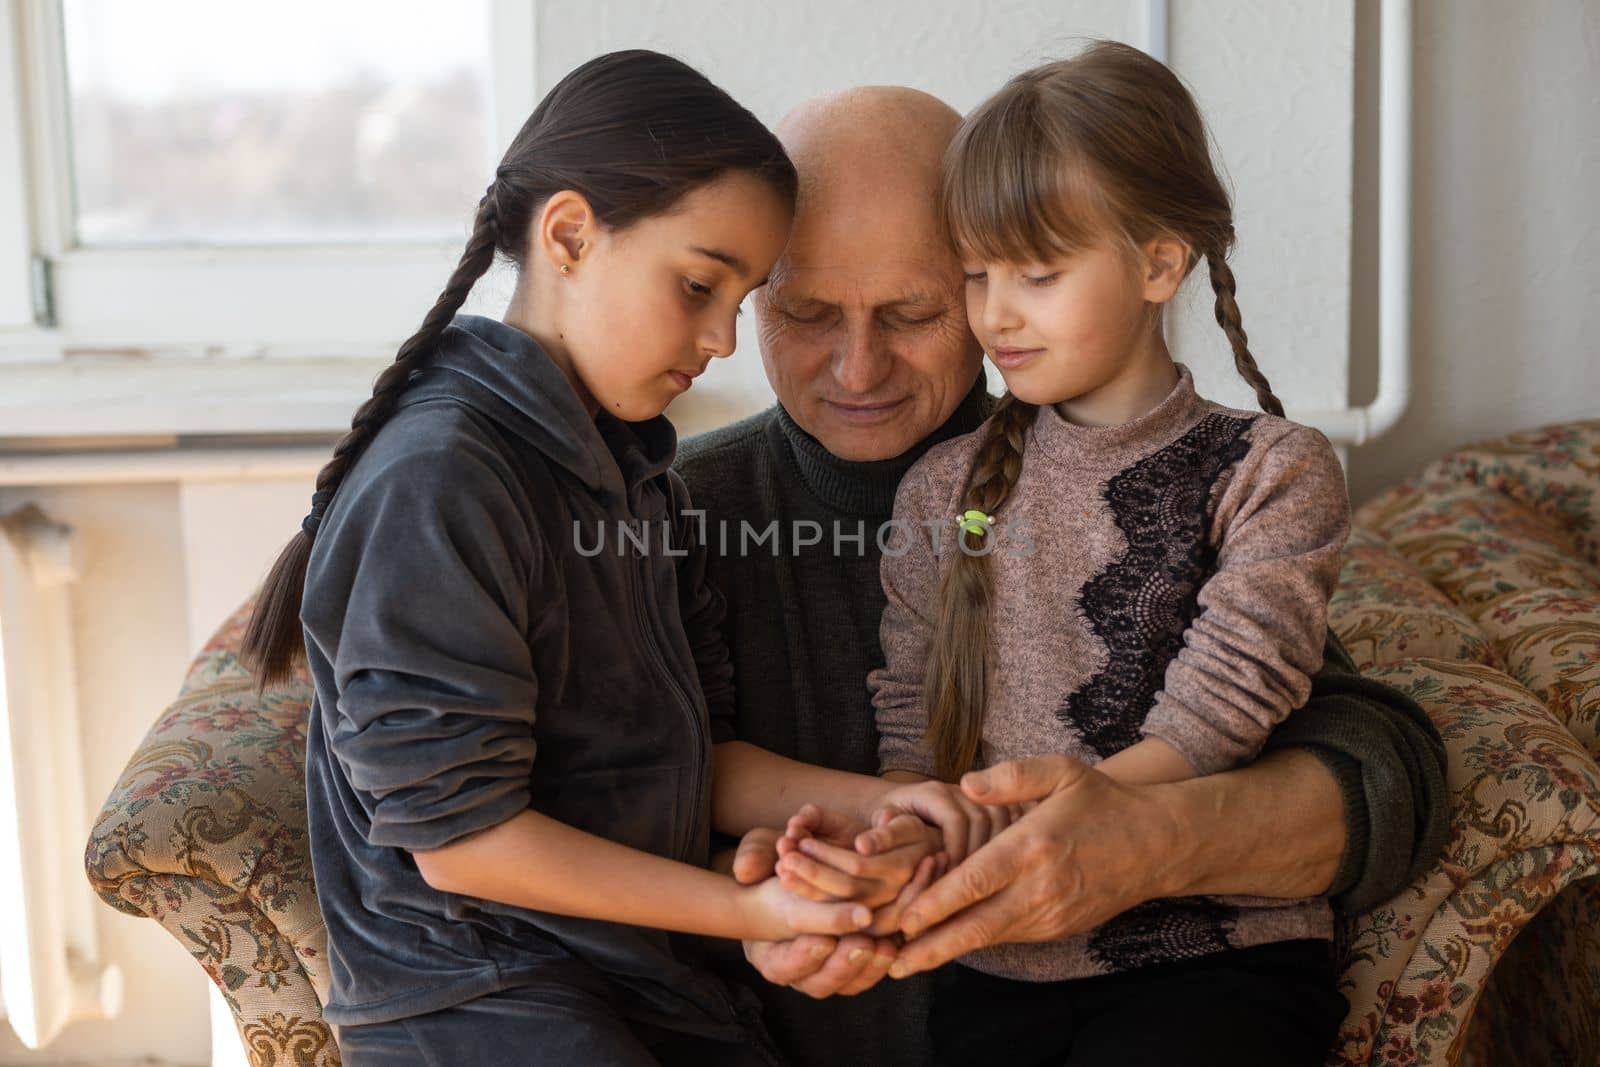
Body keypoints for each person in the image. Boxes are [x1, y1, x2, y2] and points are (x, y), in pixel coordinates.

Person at [240, 50, 994, 1066]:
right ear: (568, 236)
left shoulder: (633, 471)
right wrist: (745, 907)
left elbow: (682, 761)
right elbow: (462, 839)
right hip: (481, 998)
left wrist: (882, 802)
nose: (723, 340)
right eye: (697, 285)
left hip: (632, 977)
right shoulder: (439, 477)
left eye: (741, 298)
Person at [675, 80, 1449, 1067]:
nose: (857, 368)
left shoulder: (1158, 468)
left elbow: (1376, 759)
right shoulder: (677, 511)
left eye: (913, 310)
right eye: (807, 312)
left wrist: (1142, 833)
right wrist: (744, 885)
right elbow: (591, 788)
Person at [855, 41, 1351, 1064]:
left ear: (1159, 262)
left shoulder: (1274, 469)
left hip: (1216, 958)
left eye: (1037, 272)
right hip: (995, 961)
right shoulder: (939, 491)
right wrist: (905, 830)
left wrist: (1073, 832)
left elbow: (1223, 703)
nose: (995, 311)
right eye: (977, 271)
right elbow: (909, 715)